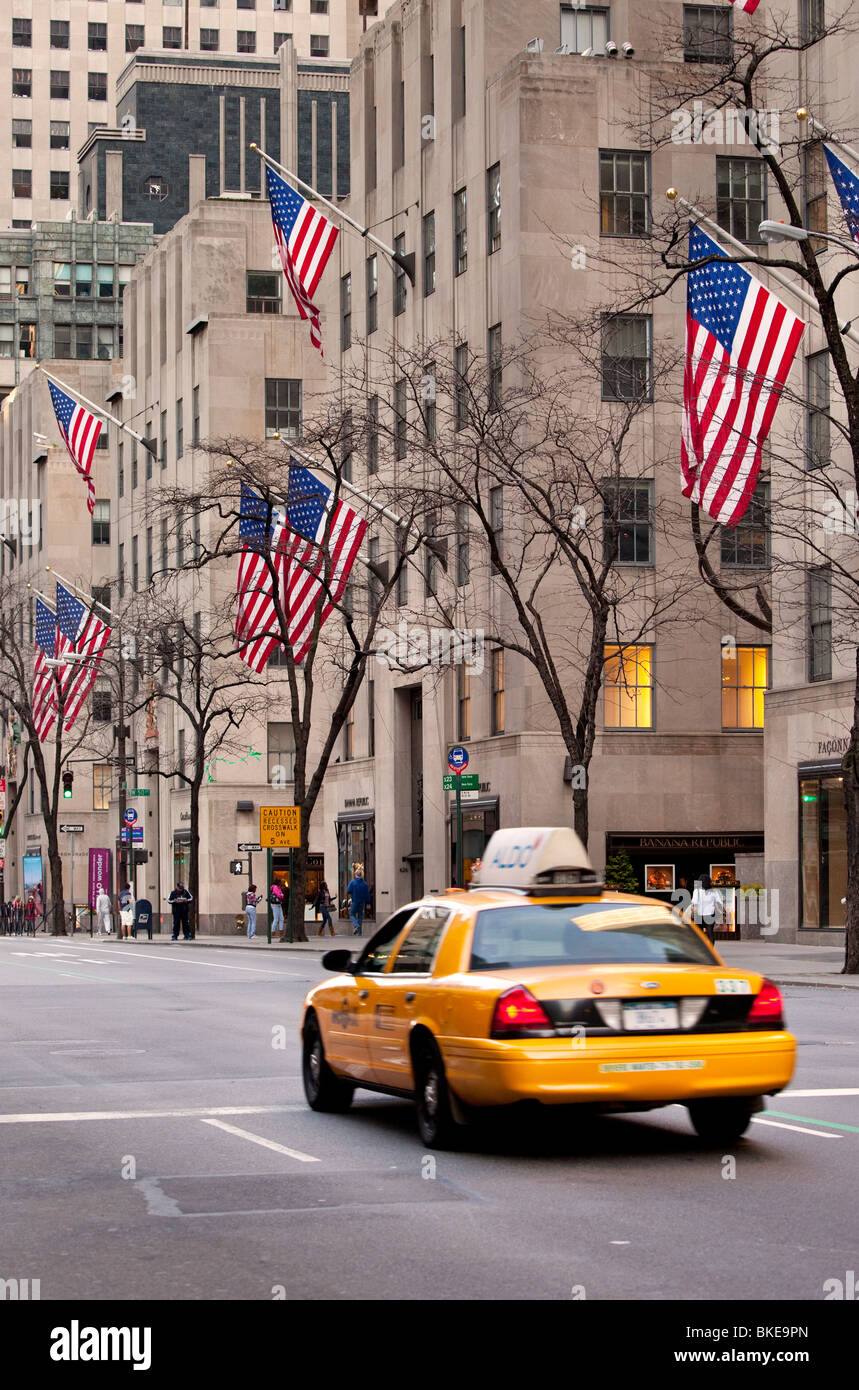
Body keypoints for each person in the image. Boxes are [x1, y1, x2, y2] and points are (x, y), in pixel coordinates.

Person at [687, 874, 722, 944]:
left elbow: (695, 903)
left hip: (699, 915)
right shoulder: (714, 891)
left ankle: (702, 950)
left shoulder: (697, 891)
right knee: (710, 933)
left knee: (699, 934)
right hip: (710, 914)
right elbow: (719, 903)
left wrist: (693, 914)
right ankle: (711, 951)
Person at [346, 864, 371, 937]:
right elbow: (367, 894)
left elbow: (348, 891)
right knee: (360, 916)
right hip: (362, 902)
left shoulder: (352, 882)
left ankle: (356, 925)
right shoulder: (365, 884)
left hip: (355, 901)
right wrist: (368, 903)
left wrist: (352, 892)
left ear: (356, 875)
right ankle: (359, 933)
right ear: (361, 875)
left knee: (352, 914)